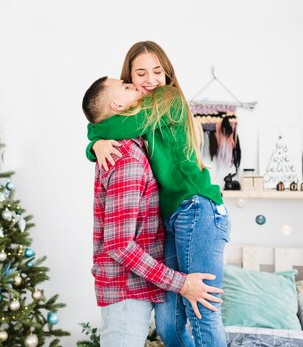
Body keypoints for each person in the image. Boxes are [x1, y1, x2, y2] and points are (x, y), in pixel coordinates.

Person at [85, 40, 231, 347]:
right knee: (168, 324)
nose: (151, 79)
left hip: (196, 206)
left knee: (203, 312)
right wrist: (95, 144)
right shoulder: (133, 127)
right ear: (129, 80)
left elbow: (108, 122)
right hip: (173, 217)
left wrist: (93, 139)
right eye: (140, 73)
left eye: (157, 71)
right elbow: (110, 118)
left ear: (167, 76)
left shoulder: (168, 98)